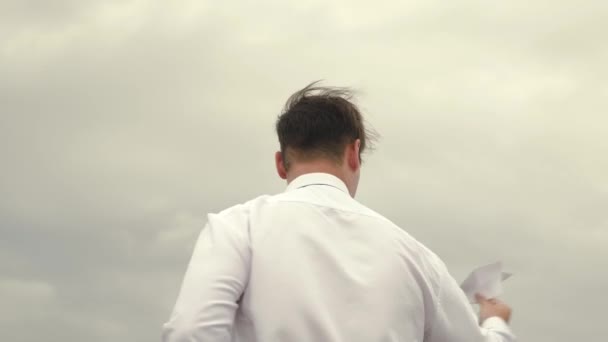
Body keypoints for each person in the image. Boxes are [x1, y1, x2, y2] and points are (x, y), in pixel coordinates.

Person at [162, 82, 516, 342]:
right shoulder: (417, 257)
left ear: (280, 164)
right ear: (353, 153)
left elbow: (191, 331)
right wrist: (494, 323)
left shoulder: (238, 228)